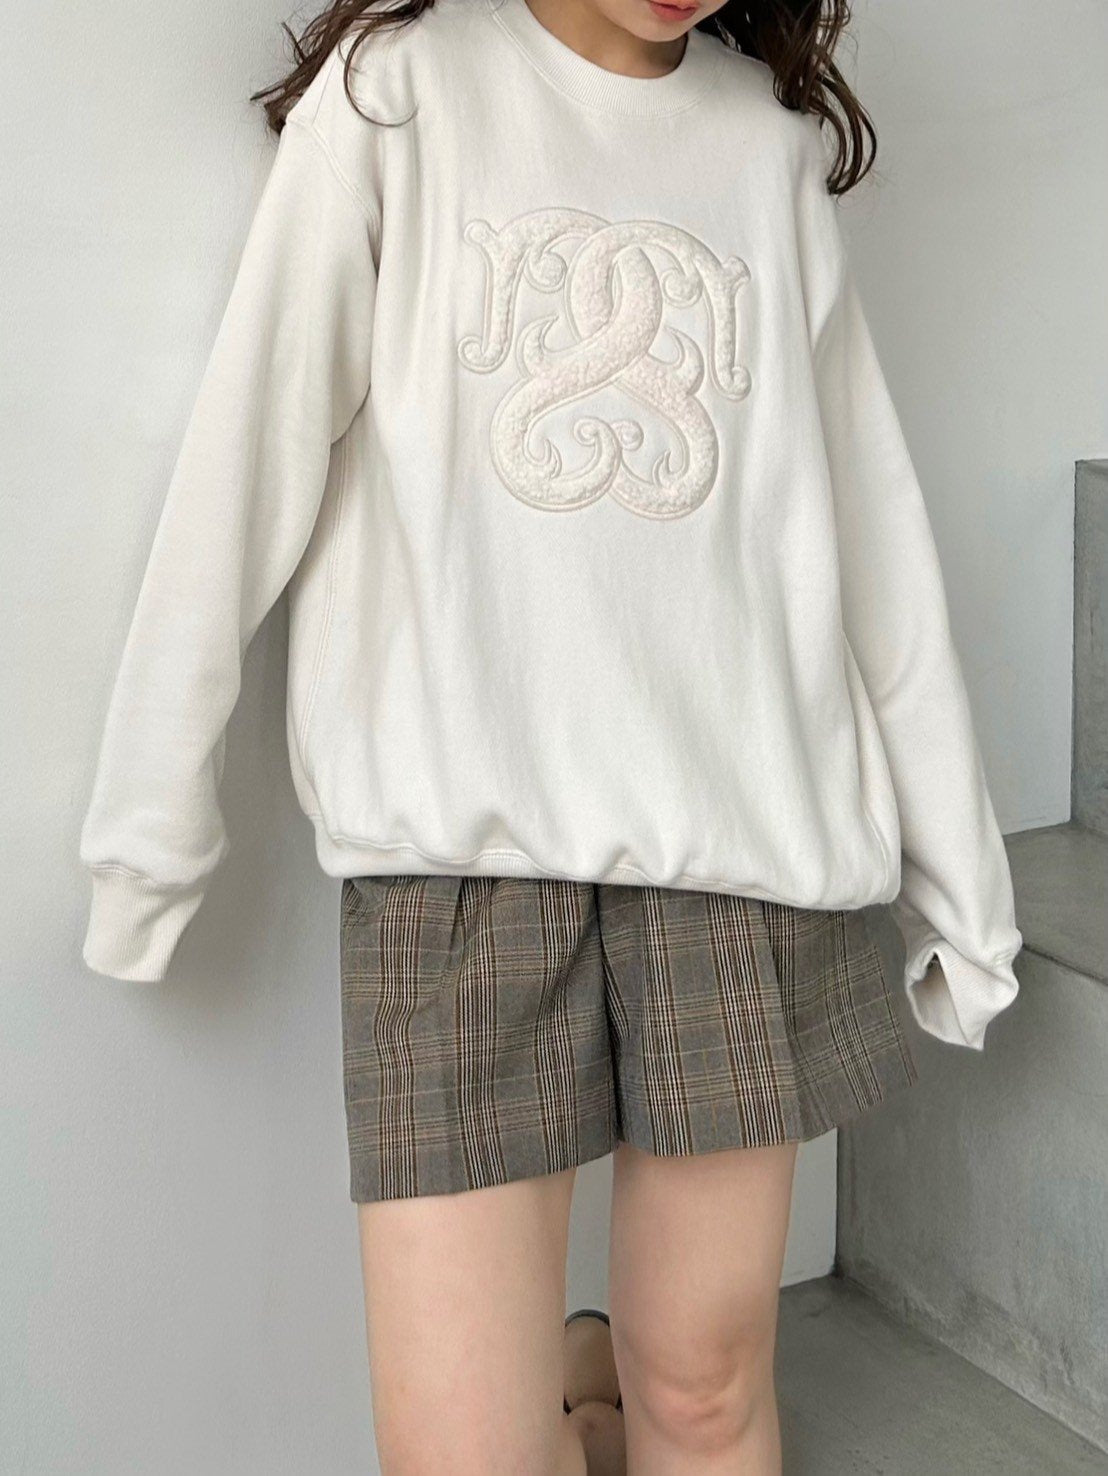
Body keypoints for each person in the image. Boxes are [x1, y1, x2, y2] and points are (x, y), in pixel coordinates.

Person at [78, 0, 1024, 1470]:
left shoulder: (764, 154)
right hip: (460, 868)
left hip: (738, 860)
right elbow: (245, 457)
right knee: (460, 1449)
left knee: (704, 1387)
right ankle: (583, 1403)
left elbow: (870, 538)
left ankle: (606, 1393)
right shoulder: (400, 99)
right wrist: (149, 828)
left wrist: (963, 885)